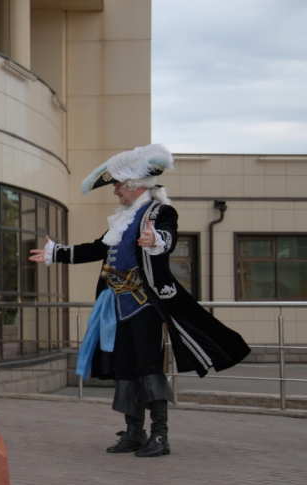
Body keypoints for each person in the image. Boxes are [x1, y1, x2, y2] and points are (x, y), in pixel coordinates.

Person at [30, 144, 249, 457]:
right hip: (118, 306)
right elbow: (97, 249)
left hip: (145, 304)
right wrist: (57, 252)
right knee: (124, 369)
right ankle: (134, 432)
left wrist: (155, 239)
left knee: (148, 366)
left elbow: (168, 237)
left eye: (118, 185)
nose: (116, 191)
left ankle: (160, 436)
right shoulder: (122, 219)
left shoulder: (160, 212)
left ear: (133, 184)